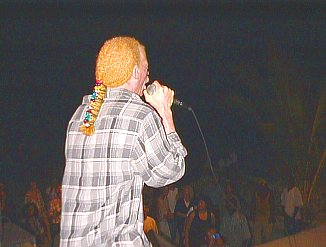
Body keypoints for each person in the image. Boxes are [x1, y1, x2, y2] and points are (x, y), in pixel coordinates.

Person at [60, 36, 187, 246]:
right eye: (146, 68)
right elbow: (171, 170)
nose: (148, 77)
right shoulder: (140, 115)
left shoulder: (81, 115)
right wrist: (164, 112)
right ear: (136, 72)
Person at [251, 178, 275, 244]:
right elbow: (253, 206)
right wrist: (252, 217)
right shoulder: (255, 194)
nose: (262, 187)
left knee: (267, 240)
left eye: (263, 185)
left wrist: (272, 217)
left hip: (267, 218)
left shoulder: (270, 194)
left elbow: (272, 206)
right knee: (257, 240)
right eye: (261, 185)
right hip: (257, 218)